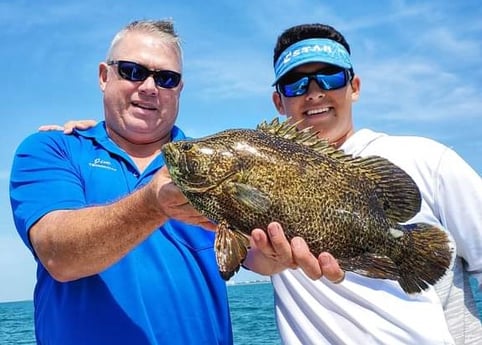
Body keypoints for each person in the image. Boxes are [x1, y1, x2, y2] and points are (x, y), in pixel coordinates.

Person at [243, 23, 482, 344]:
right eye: (295, 83)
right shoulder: (260, 173)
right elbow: (249, 257)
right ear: (278, 102)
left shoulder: (428, 160)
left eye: (330, 76)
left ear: (353, 86)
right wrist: (267, 259)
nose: (314, 92)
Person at [9, 19, 233, 345]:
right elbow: (59, 254)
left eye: (166, 78)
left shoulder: (217, 164)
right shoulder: (51, 149)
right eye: (132, 71)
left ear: (179, 89)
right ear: (104, 76)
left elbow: (257, 254)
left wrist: (276, 256)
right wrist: (153, 204)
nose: (149, 87)